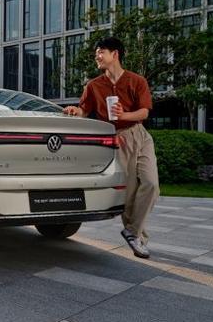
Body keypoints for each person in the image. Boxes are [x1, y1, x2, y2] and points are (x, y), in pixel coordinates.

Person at [63, 37, 159, 259]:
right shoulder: (93, 85)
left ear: (115, 54)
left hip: (140, 134)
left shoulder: (137, 81)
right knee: (130, 191)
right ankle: (137, 237)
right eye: (96, 52)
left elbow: (144, 112)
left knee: (151, 184)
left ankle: (132, 231)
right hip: (118, 139)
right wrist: (74, 111)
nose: (97, 56)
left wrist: (124, 115)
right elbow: (84, 111)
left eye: (101, 52)